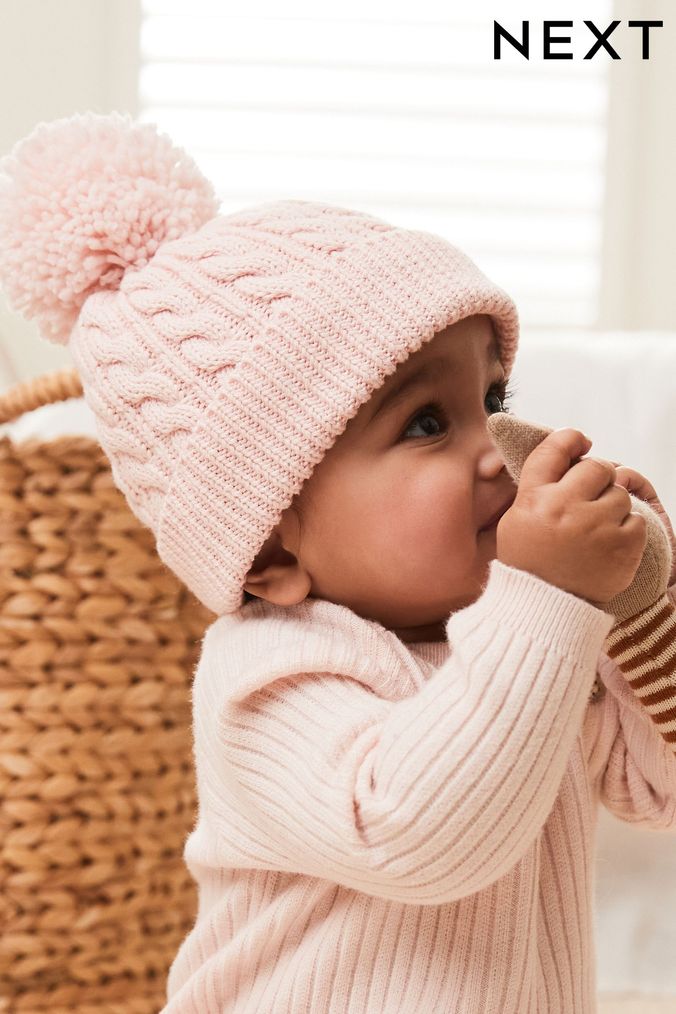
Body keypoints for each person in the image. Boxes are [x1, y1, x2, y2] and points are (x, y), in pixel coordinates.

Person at [1, 112, 675, 1014]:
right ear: (272, 551)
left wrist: (639, 603)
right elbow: (422, 836)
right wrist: (548, 598)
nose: (496, 449)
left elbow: (653, 788)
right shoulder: (274, 678)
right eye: (426, 424)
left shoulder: (526, 640)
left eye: (491, 398)